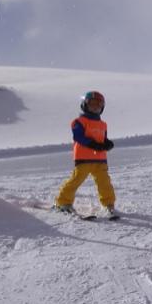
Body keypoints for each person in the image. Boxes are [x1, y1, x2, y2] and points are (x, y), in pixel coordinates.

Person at [54, 91, 118, 219]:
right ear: (84, 105)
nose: (95, 107)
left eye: (98, 105)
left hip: (100, 159)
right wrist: (93, 145)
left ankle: (108, 204)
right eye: (92, 104)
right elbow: (79, 137)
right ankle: (63, 202)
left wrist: (107, 144)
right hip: (84, 158)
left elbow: (102, 139)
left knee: (104, 182)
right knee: (76, 180)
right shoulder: (79, 121)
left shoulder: (103, 124)